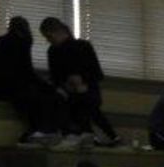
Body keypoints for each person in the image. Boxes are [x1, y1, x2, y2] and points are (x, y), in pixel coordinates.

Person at [40, 17, 119, 145]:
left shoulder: (82, 46)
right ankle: (99, 135)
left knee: (83, 101)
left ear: (58, 32)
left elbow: (96, 73)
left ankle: (88, 134)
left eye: (49, 36)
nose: (48, 40)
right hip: (70, 93)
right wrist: (65, 86)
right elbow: (55, 78)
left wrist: (83, 82)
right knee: (69, 101)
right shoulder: (53, 51)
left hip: (86, 91)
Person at [0, 17, 64, 141]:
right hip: (12, 88)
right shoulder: (23, 41)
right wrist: (49, 87)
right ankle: (43, 130)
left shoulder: (0, 41)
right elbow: (26, 72)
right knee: (45, 98)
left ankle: (38, 130)